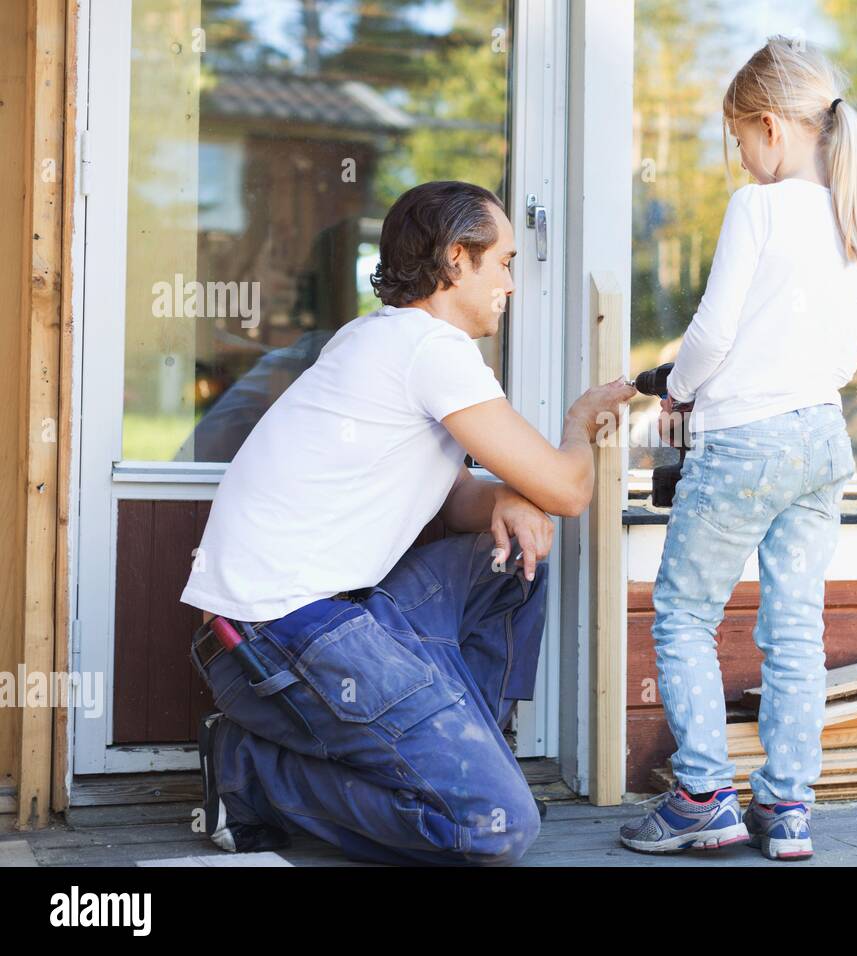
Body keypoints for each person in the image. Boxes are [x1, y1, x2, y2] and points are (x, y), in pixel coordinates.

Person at [183, 180, 636, 866]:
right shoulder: (432, 351)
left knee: (506, 560)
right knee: (492, 828)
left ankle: (471, 756)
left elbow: (453, 502)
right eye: (504, 261)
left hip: (317, 622)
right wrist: (577, 427)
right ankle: (252, 773)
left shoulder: (379, 340)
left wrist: (508, 498)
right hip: (277, 636)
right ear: (457, 259)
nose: (511, 284)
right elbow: (572, 491)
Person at [619, 35, 857, 860]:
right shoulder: (850, 215)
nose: (740, 160)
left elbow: (713, 331)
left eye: (738, 141)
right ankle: (787, 807)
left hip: (744, 444)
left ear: (769, 125)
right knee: (795, 626)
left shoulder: (758, 209)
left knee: (687, 613)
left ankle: (701, 794)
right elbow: (843, 363)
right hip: (821, 439)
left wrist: (676, 388)